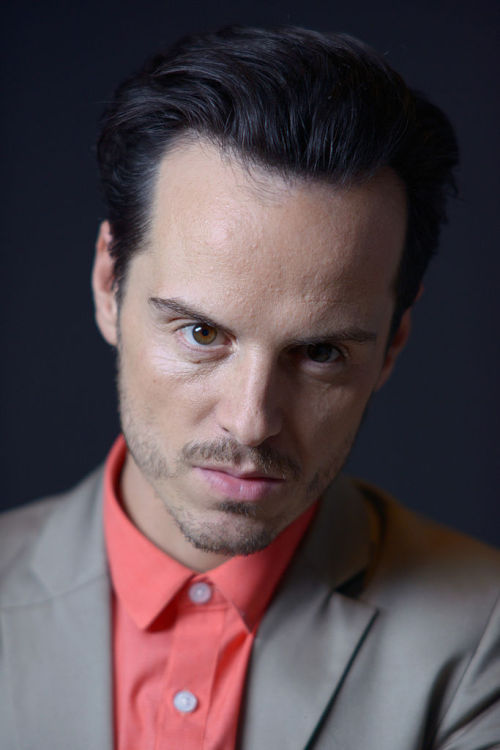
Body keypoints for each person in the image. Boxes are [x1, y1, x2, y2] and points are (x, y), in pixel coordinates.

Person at [0, 25, 499, 750]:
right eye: (202, 334)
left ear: (393, 343)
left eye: (321, 352)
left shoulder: (483, 640)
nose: (251, 421)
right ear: (110, 285)